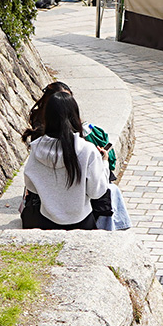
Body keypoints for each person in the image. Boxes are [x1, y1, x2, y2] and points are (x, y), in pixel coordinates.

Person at [23, 81, 131, 230]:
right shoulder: (87, 150)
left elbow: (31, 187)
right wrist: (104, 163)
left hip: (46, 221)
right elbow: (97, 192)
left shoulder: (36, 148)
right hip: (81, 222)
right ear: (74, 115)